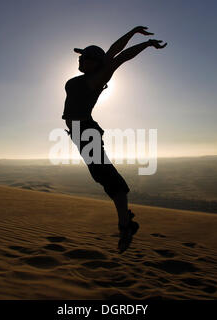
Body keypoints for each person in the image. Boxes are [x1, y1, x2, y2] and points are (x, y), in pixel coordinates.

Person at [62, 26, 167, 253]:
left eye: (84, 57)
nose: (80, 59)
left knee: (108, 179)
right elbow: (113, 51)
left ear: (93, 62)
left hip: (85, 132)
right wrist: (134, 32)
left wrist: (146, 45)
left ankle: (125, 226)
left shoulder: (96, 78)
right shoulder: (91, 75)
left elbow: (120, 57)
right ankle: (125, 218)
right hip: (81, 133)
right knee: (102, 177)